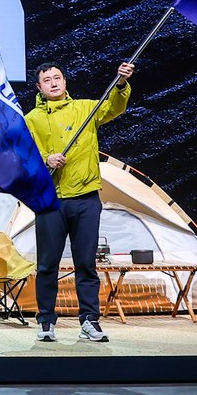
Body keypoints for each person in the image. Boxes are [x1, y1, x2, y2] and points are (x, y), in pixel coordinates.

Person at [25, 60, 137, 344]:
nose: (53, 83)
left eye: (57, 78)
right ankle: (46, 321)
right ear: (39, 87)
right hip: (51, 200)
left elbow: (114, 107)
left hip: (86, 198)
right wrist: (46, 159)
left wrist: (121, 83)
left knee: (86, 264)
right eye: (47, 80)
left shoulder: (86, 108)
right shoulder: (31, 119)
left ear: (65, 81)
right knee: (47, 265)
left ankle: (89, 320)